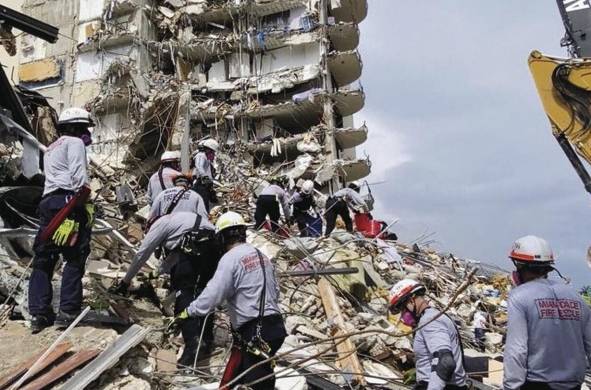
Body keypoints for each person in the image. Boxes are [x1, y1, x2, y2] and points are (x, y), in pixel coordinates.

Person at [175, 212, 286, 390]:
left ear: (222, 237)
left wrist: (188, 311)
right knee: (235, 377)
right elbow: (275, 291)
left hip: (254, 332)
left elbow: (213, 294)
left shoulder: (230, 258)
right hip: (274, 327)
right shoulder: (262, 256)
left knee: (257, 383)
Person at [109, 211, 219, 367]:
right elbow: (176, 254)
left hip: (196, 248)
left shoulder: (159, 224)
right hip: (212, 246)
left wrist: (125, 282)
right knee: (205, 292)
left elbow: (142, 254)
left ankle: (192, 347)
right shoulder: (180, 221)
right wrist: (154, 274)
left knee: (184, 294)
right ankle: (207, 340)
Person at [29, 107, 95, 333]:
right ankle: (67, 311)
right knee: (75, 257)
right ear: (76, 127)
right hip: (69, 201)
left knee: (43, 259)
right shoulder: (74, 143)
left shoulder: (50, 148)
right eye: (85, 128)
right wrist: (81, 207)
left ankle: (39, 314)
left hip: (48, 203)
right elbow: (79, 179)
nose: (88, 133)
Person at [503, 235, 591, 390]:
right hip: (574, 384)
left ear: (519, 265)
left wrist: (511, 387)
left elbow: (517, 350)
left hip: (537, 383)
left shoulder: (520, 296)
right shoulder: (576, 298)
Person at [389, 279, 467, 390]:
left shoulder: (430, 321)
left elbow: (445, 362)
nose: (402, 315)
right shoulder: (433, 316)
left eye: (402, 309)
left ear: (411, 301)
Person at [192, 138, 219, 212]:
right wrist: (205, 177)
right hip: (201, 183)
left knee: (207, 201)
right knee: (203, 203)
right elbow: (199, 166)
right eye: (212, 151)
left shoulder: (206, 157)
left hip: (206, 183)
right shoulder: (201, 155)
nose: (213, 153)